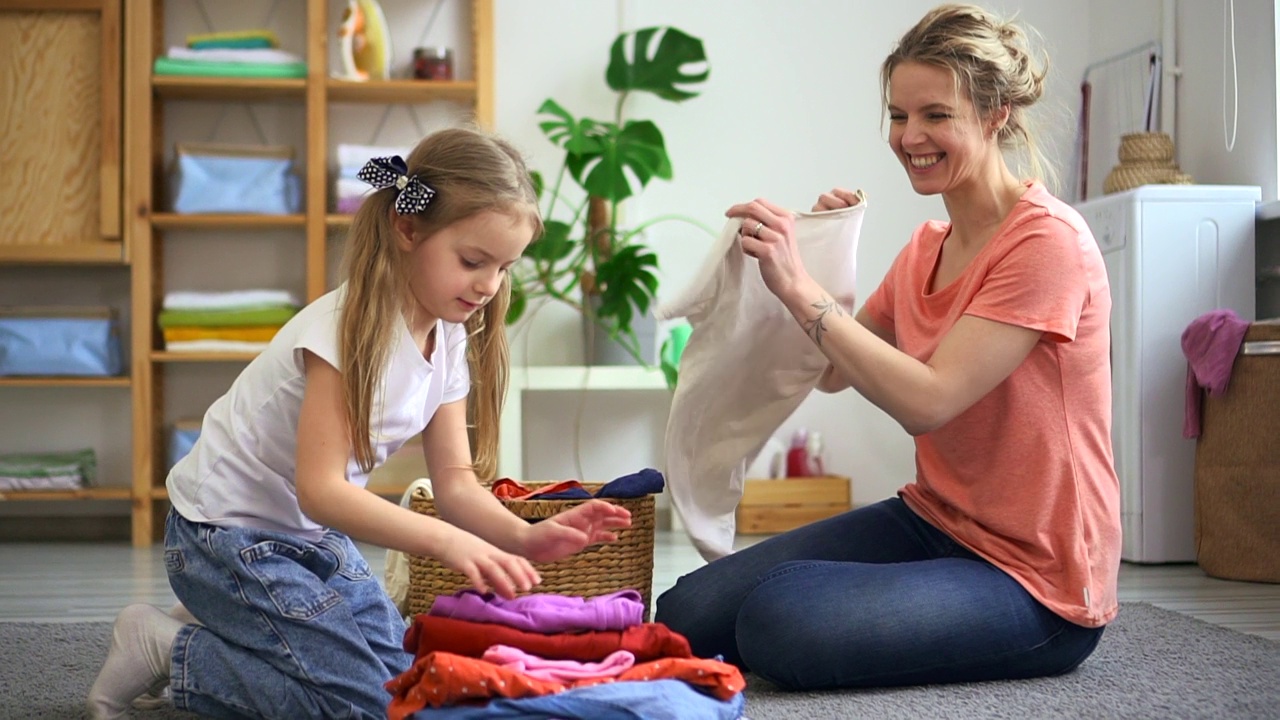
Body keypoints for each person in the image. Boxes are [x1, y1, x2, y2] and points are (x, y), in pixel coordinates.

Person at [87, 127, 632, 719]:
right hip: (222, 536)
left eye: (504, 268)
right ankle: (168, 647)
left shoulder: (447, 338)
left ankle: (234, 621)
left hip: (307, 541)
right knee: (367, 707)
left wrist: (524, 536)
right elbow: (321, 492)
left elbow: (454, 483)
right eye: (473, 261)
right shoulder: (346, 332)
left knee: (406, 690)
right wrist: (450, 543)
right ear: (408, 228)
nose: (489, 285)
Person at [654, 3, 1121, 691]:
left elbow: (928, 402)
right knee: (686, 611)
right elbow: (833, 373)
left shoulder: (1046, 242)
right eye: (899, 116)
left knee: (778, 625)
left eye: (935, 115)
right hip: (935, 521)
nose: (910, 137)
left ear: (995, 115)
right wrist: (824, 256)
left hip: (1037, 580)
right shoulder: (926, 248)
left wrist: (797, 288)